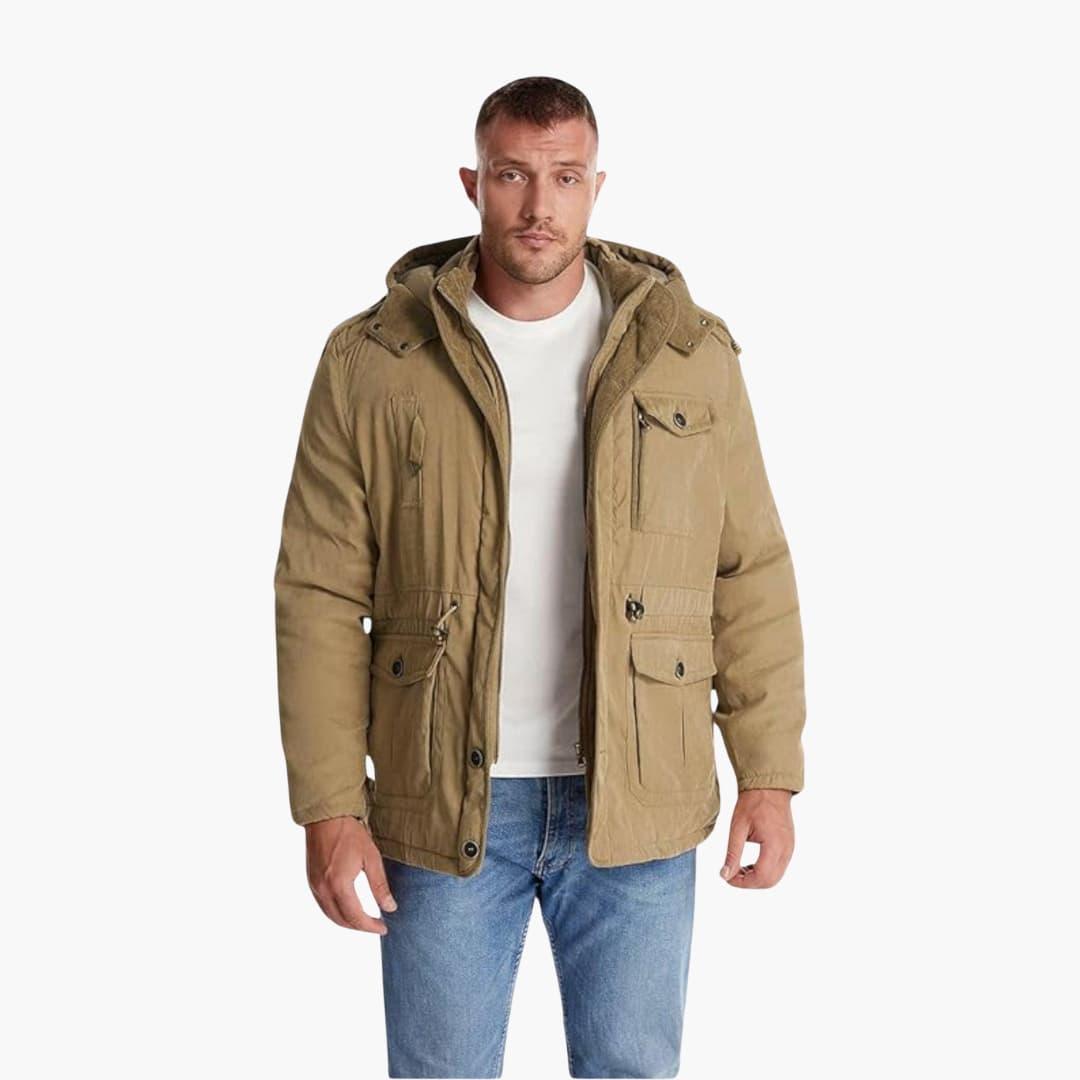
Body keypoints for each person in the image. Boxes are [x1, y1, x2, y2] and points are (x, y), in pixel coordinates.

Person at [274, 75, 806, 1079]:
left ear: (597, 186)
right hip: (441, 799)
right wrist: (330, 809)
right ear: (472, 182)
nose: (538, 204)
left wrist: (769, 776)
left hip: (638, 799)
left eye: (564, 177)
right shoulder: (375, 360)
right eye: (513, 174)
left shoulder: (686, 353)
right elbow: (318, 594)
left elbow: (749, 572)